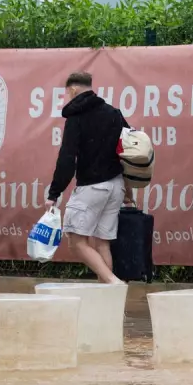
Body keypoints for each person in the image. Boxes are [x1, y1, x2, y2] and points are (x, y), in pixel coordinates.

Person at [46, 72, 133, 285]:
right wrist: (128, 190)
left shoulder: (76, 118)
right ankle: (108, 302)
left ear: (73, 90)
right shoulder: (114, 113)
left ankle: (113, 283)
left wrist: (54, 193)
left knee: (76, 242)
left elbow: (67, 159)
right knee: (102, 244)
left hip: (91, 189)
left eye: (67, 93)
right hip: (115, 186)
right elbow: (130, 151)